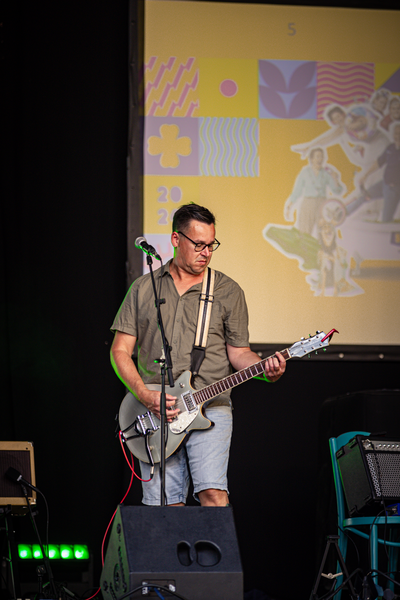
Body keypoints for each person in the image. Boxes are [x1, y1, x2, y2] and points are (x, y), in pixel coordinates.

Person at [110, 203, 286, 507]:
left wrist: (264, 367)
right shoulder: (143, 288)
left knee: (213, 495)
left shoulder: (228, 291)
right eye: (199, 244)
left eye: (211, 245)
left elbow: (239, 353)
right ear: (177, 240)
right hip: (155, 411)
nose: (206, 252)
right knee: (164, 507)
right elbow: (120, 350)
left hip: (212, 406)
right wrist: (143, 393)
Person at [284, 147, 343, 237]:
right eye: (317, 157)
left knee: (323, 233)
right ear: (311, 159)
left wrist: (335, 179)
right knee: (304, 233)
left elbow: (337, 191)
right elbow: (297, 191)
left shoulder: (326, 173)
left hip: (322, 205)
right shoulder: (305, 172)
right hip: (308, 204)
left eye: (321, 157)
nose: (320, 159)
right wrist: (289, 207)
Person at [359, 122, 400, 222]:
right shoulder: (391, 148)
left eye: (399, 133)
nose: (397, 136)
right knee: (363, 197)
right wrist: (365, 175)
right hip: (385, 185)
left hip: (394, 188)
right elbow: (378, 162)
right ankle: (344, 213)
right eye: (396, 133)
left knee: (386, 219)